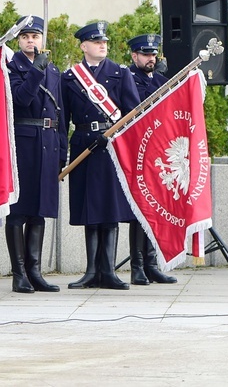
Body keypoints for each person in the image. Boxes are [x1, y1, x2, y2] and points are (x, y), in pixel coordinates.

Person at [61, 21, 139, 290]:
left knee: (110, 208)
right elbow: (63, 119)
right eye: (96, 42)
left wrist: (113, 138)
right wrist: (63, 155)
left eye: (104, 41)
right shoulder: (70, 77)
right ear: (84, 46)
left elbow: (132, 116)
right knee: (89, 208)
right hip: (83, 143)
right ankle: (91, 271)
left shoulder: (120, 73)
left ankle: (109, 271)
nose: (102, 45)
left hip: (111, 147)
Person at [5, 16, 67, 293]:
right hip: (24, 142)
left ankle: (35, 271)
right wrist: (35, 72)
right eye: (26, 36)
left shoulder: (53, 70)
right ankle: (19, 274)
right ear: (18, 40)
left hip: (49, 142)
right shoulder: (12, 68)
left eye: (36, 36)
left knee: (39, 212)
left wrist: (62, 151)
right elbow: (21, 100)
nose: (31, 40)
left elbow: (60, 113)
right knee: (19, 212)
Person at [126, 34, 178, 285]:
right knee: (139, 210)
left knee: (154, 207)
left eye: (153, 54)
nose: (151, 59)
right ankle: (137, 266)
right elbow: (138, 108)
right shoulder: (128, 78)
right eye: (145, 54)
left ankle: (151, 263)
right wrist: (158, 80)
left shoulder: (158, 79)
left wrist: (162, 78)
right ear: (134, 56)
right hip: (137, 150)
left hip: (155, 152)